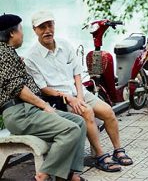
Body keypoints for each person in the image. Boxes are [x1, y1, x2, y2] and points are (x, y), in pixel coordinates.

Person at [25, 10, 133, 173]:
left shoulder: (65, 45)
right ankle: (99, 155)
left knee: (108, 111)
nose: (47, 30)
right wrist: (69, 98)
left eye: (50, 25)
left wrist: (80, 96)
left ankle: (118, 149)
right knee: (87, 112)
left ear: (54, 25)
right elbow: (43, 88)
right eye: (42, 27)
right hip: (58, 98)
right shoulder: (31, 57)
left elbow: (77, 73)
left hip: (78, 91)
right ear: (35, 30)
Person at [0, 13, 87, 181]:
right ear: (12, 33)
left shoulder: (9, 53)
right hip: (19, 112)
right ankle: (42, 175)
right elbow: (19, 89)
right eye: (20, 30)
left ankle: (69, 174)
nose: (22, 34)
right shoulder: (3, 54)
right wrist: (45, 106)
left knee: (79, 122)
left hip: (27, 110)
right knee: (70, 129)